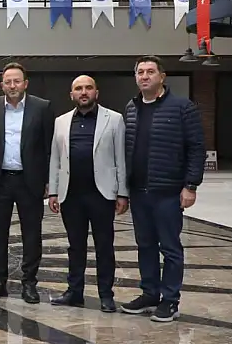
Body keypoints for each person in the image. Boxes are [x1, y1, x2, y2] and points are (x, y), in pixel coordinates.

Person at [122, 55, 206, 323]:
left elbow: (196, 148)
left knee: (170, 247)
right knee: (145, 245)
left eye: (150, 71)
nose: (145, 76)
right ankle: (150, 294)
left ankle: (170, 300)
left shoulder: (182, 107)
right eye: (140, 72)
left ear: (162, 76)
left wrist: (191, 185)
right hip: (139, 191)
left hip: (168, 191)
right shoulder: (132, 108)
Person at [46, 75, 128, 313]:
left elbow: (121, 158)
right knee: (75, 246)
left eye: (88, 88)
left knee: (104, 246)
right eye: (78, 89)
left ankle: (106, 295)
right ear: (71, 94)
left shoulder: (114, 119)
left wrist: (122, 193)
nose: (84, 92)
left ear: (96, 93)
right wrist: (53, 191)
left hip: (102, 194)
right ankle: (74, 292)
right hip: (71, 195)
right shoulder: (61, 121)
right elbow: (55, 159)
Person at [0, 62, 53, 304]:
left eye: (17, 81)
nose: (12, 86)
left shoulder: (42, 107)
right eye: (8, 82)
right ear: (2, 85)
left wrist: (48, 181)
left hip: (29, 180)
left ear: (25, 84)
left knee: (31, 234)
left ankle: (29, 283)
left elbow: (49, 147)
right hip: (0, 180)